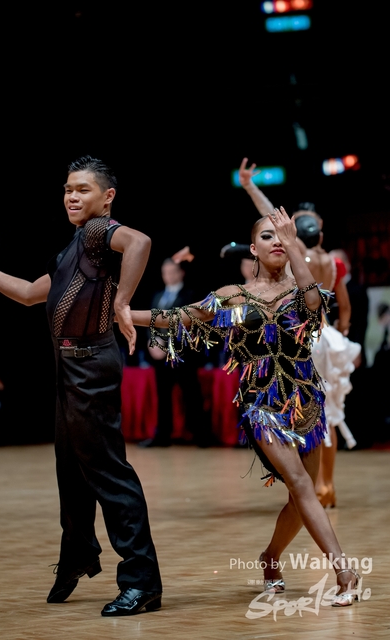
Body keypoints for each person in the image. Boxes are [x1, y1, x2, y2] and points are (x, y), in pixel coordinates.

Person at [129, 206, 361, 607]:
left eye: (282, 236)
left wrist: (292, 243)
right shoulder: (232, 295)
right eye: (267, 236)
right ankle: (344, 572)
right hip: (260, 403)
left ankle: (270, 557)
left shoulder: (302, 286)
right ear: (253, 248)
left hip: (306, 401)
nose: (276, 242)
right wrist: (124, 313)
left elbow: (314, 307)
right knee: (301, 484)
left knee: (300, 497)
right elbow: (180, 317)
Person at [0, 156, 162, 617]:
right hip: (71, 366)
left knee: (109, 474)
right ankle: (79, 554)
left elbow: (140, 242)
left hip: (90, 363)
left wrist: (123, 303)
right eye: (68, 189)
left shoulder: (97, 232)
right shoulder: (77, 244)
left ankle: (142, 581)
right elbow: (29, 294)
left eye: (82, 189)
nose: (72, 196)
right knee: (71, 471)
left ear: (107, 197)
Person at [238, 157, 362, 509]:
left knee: (310, 412)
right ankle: (325, 484)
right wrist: (343, 334)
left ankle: (304, 482)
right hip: (329, 337)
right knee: (329, 415)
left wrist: (250, 186)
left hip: (305, 337)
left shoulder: (298, 253)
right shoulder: (333, 261)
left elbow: (269, 213)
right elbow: (344, 305)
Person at [138, 257, 214, 448]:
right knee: (162, 395)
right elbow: (150, 322)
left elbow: (191, 324)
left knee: (191, 394)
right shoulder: (157, 295)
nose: (168, 276)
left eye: (172, 271)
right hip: (159, 355)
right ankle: (162, 435)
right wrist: (152, 341)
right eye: (165, 272)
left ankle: (200, 435)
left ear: (181, 273)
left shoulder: (191, 295)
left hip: (183, 353)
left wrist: (167, 343)